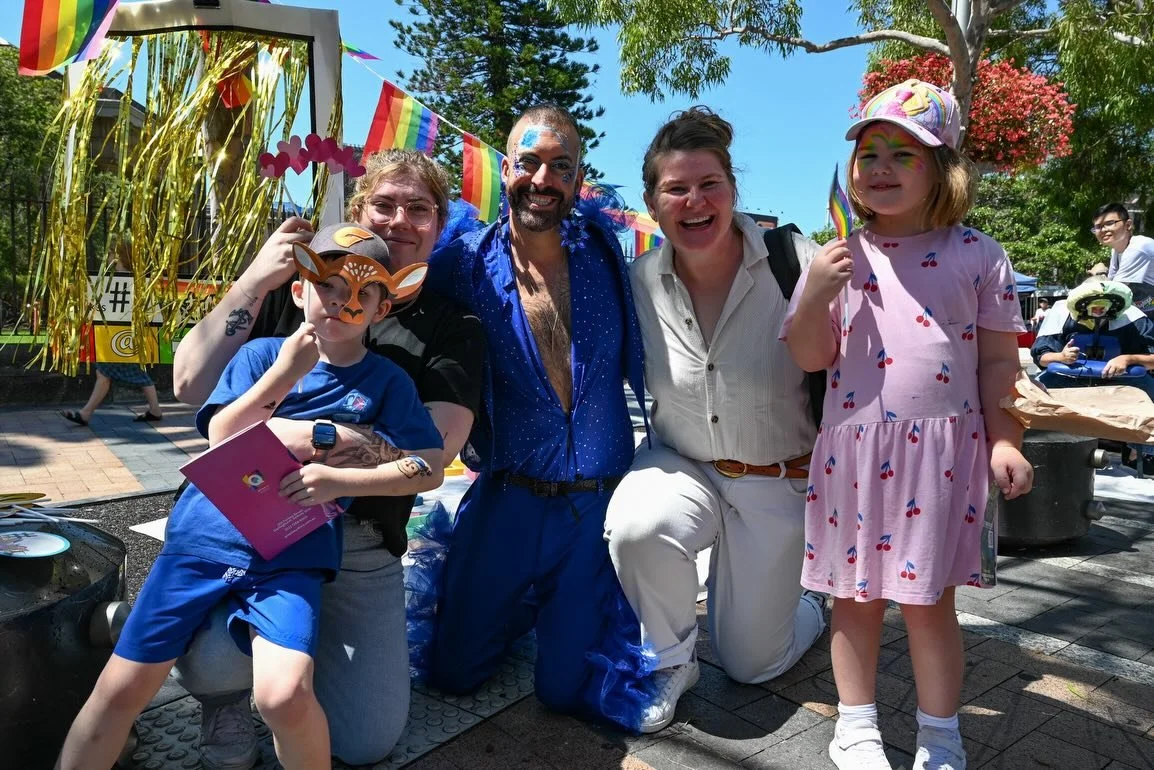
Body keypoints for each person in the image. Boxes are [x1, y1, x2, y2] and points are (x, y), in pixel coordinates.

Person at [56, 224, 445, 770]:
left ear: (382, 308)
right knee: (120, 690)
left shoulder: (388, 382)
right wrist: (284, 376)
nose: (342, 302)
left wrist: (340, 482)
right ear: (299, 290)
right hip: (202, 542)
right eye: (329, 285)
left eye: (362, 292)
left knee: (284, 695)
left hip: (293, 555)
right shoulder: (261, 355)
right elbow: (221, 436)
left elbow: (427, 466)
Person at [169, 150, 485, 768]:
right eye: (384, 204)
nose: (400, 220)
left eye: (419, 208)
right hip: (250, 522)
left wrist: (311, 439)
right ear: (358, 209)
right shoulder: (301, 287)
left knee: (366, 741)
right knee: (209, 660)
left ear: (439, 224)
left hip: (361, 537)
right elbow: (189, 384)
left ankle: (289, 661)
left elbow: (437, 449)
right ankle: (223, 690)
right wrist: (253, 281)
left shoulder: (453, 325)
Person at [780, 80, 1033, 770]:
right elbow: (810, 356)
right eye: (869, 153)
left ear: (942, 167)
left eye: (903, 153)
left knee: (929, 605)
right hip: (854, 456)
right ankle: (855, 728)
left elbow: (997, 361)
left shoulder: (979, 254)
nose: (881, 167)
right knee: (855, 599)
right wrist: (818, 294)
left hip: (943, 457)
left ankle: (940, 734)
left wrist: (1006, 439)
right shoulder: (835, 257)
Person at [419, 103, 654, 729]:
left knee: (564, 691)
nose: (542, 179)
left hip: (595, 506)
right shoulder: (462, 264)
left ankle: (561, 605)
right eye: (528, 162)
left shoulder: (607, 254)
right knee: (453, 673)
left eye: (560, 166)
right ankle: (522, 604)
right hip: (509, 496)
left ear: (578, 180)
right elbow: (386, 302)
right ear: (506, 169)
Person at [603, 106, 827, 733]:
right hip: (683, 464)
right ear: (652, 203)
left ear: (733, 189)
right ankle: (671, 659)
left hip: (777, 477)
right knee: (638, 526)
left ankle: (812, 602)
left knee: (753, 664)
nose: (695, 201)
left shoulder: (796, 262)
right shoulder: (638, 281)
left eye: (710, 184)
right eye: (676, 188)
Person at [60, 362, 164, 426]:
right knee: (104, 373)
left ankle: (85, 413)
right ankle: (155, 410)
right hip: (117, 338)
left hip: (117, 337)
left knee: (104, 372)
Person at [1095, 202, 1154, 286]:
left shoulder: (1138, 248)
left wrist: (1099, 274)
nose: (1103, 230)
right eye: (1098, 227)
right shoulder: (1116, 250)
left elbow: (1117, 289)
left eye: (1109, 223)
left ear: (1128, 225)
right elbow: (1111, 281)